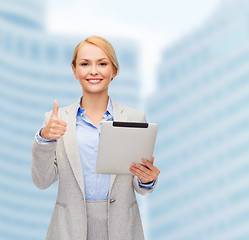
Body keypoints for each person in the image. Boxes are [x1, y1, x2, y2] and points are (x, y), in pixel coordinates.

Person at [31, 35, 160, 240]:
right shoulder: (55, 121)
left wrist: (146, 179)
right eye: (84, 64)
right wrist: (44, 140)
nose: (93, 71)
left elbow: (139, 185)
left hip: (122, 230)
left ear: (114, 71)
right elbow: (42, 181)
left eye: (102, 63)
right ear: (74, 71)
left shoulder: (135, 118)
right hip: (68, 230)